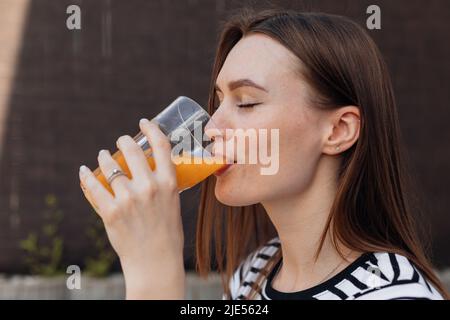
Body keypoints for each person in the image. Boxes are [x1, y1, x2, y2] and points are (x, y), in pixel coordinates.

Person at [79, 8, 448, 300]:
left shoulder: (397, 296)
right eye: (219, 102)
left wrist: (154, 277)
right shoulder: (255, 273)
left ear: (338, 131)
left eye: (248, 102)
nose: (210, 129)